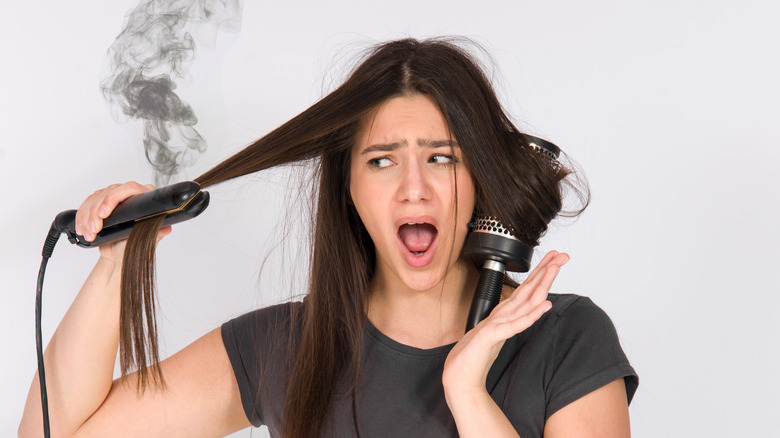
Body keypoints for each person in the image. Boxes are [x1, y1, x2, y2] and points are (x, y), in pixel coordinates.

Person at [20, 38, 638, 437]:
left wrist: (467, 391)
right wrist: (116, 262)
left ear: (481, 176)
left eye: (442, 158)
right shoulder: (285, 346)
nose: (412, 190)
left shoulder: (568, 342)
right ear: (348, 187)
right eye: (381, 161)